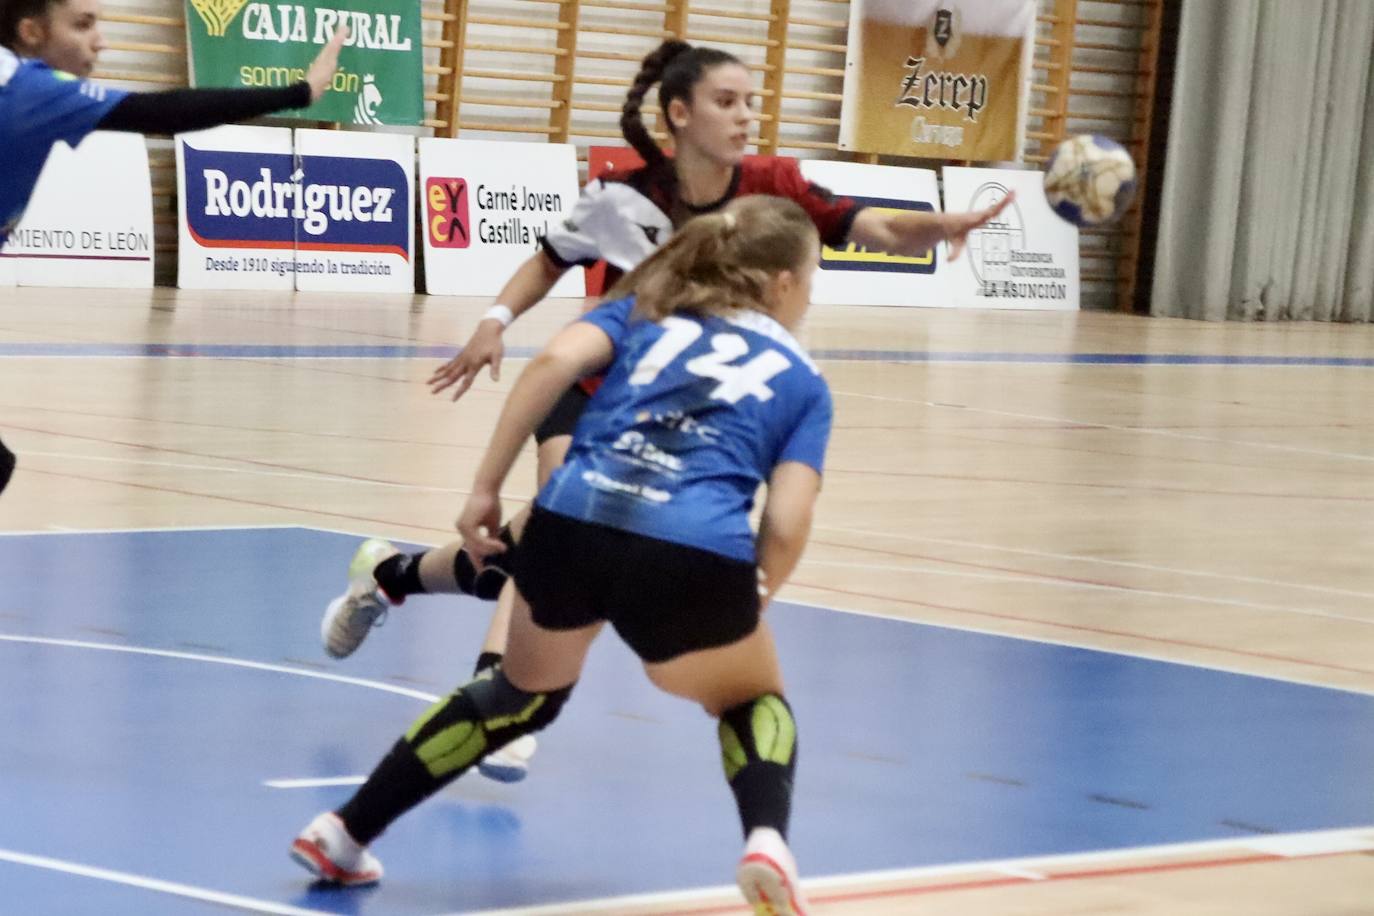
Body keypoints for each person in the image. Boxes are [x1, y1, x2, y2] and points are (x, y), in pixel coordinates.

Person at [318, 38, 1012, 776]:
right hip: (592, 396)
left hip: (679, 414)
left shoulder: (773, 187)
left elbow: (868, 224)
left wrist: (941, 226)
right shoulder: (622, 197)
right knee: (550, 522)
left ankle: (390, 575)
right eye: (726, 101)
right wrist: (493, 321)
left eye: (750, 101)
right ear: (678, 114)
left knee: (520, 550)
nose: (745, 116)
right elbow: (547, 263)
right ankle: (497, 681)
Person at [293, 195, 828, 915]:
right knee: (750, 698)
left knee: (517, 696)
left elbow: (551, 362)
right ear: (783, 286)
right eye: (813, 281)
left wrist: (485, 486)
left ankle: (343, 831)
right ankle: (766, 840)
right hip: (692, 550)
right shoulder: (802, 379)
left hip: (571, 519)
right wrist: (751, 593)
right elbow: (789, 522)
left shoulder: (647, 307)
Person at [0, 0, 347, 497]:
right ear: (31, 31)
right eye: (82, 24)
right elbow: (162, 112)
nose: (100, 40)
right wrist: (300, 92)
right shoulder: (28, 91)